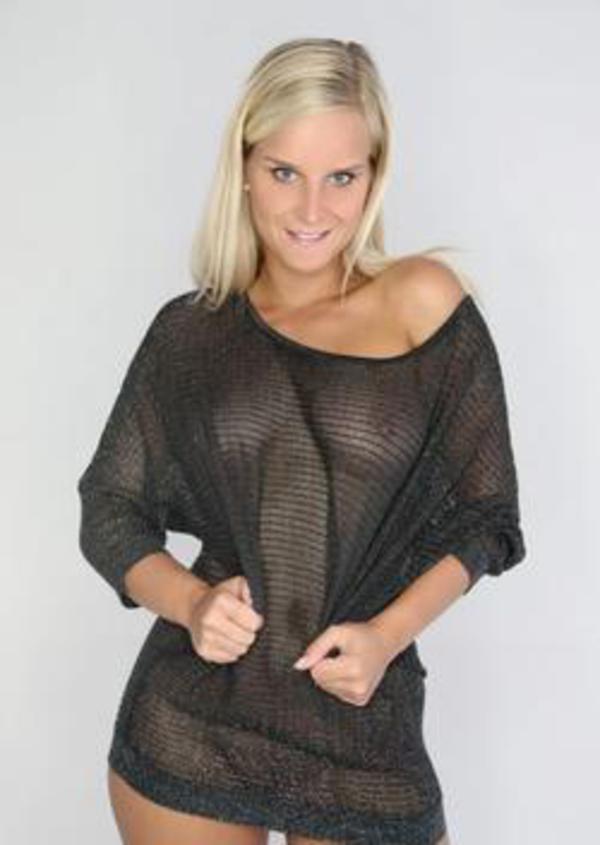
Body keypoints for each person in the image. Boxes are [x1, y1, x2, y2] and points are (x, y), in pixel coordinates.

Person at [77, 37, 526, 845]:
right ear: (245, 168)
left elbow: (487, 516)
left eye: (341, 177)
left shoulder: (423, 303)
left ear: (374, 176)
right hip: (194, 726)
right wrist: (192, 603)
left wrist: (387, 636)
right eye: (285, 172)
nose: (312, 209)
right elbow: (109, 507)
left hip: (363, 719)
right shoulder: (192, 335)